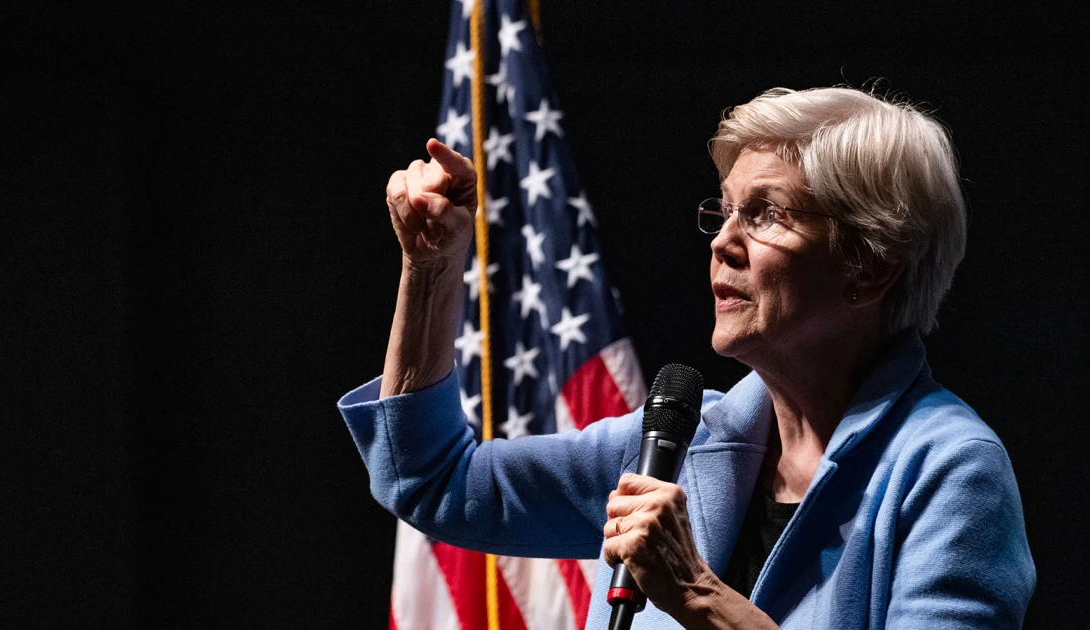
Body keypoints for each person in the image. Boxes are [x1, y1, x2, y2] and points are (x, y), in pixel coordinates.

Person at [338, 87, 1036, 628]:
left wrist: (699, 594)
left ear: (869, 267)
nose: (722, 243)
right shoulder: (679, 442)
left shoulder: (949, 471)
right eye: (725, 212)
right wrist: (430, 268)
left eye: (765, 214)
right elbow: (428, 479)